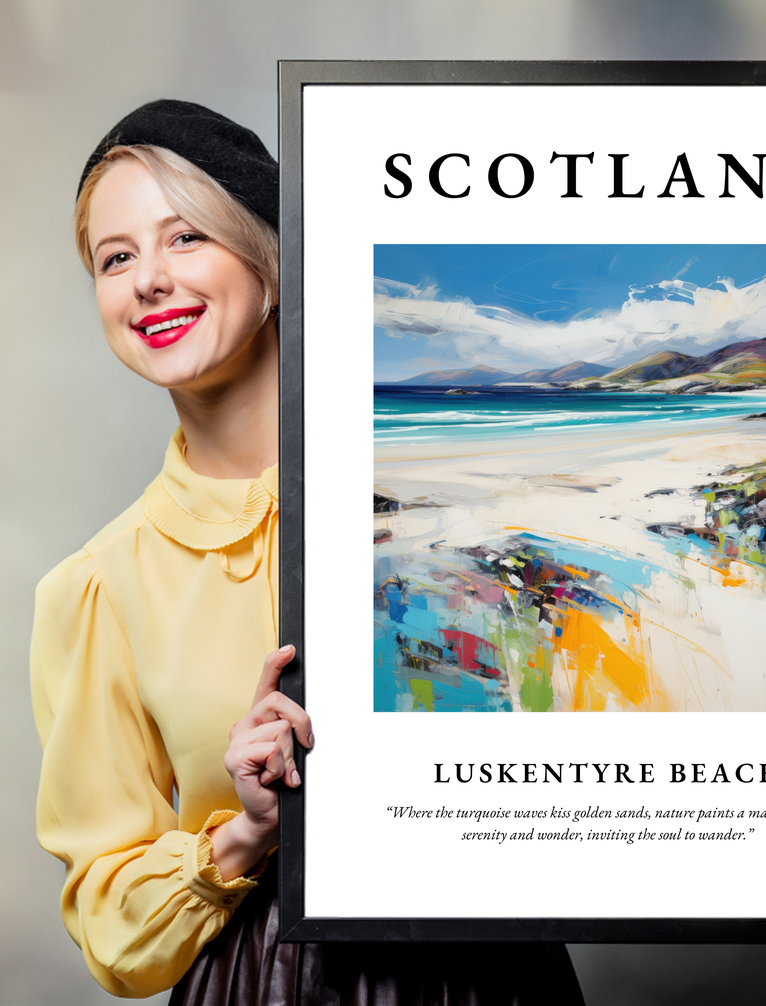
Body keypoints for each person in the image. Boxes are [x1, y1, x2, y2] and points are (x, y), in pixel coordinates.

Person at [30, 100, 585, 1004]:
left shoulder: (453, 502)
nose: (148, 281)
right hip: (263, 981)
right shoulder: (97, 587)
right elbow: (110, 925)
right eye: (116, 257)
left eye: (185, 239)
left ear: (273, 264)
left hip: (492, 972)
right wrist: (245, 832)